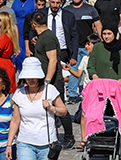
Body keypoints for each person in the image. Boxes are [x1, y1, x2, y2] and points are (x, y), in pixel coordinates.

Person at [26, 11, 76, 148]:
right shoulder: (43, 36)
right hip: (46, 79)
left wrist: (47, 80)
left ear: (33, 25)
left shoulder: (48, 37)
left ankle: (69, 138)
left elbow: (53, 61)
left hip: (54, 80)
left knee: (61, 110)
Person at [7, 58, 69, 160]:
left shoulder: (50, 90)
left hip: (46, 143)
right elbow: (15, 121)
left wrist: (51, 108)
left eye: (33, 77)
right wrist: (9, 144)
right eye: (28, 77)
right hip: (25, 142)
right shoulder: (19, 93)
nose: (30, 80)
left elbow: (64, 111)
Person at [63, 0, 101, 103]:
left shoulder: (90, 9)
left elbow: (98, 25)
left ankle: (93, 91)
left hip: (88, 46)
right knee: (74, 70)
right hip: (73, 46)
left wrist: (102, 41)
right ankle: (73, 94)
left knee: (90, 70)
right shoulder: (67, 9)